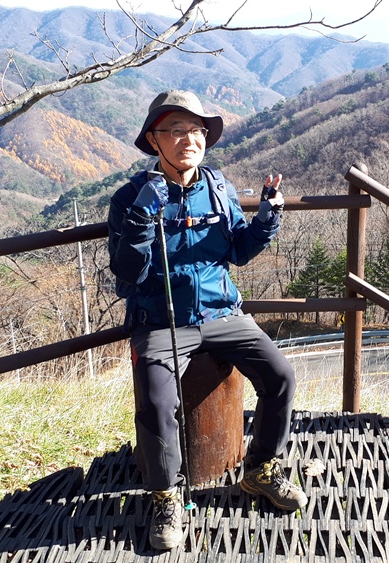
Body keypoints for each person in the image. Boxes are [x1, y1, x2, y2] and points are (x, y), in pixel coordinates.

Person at [107, 90, 308, 551]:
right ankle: (166, 496)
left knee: (280, 375)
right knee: (157, 404)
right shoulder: (129, 198)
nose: (188, 140)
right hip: (159, 321)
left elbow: (237, 250)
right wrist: (141, 218)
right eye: (175, 130)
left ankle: (260, 468)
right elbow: (127, 273)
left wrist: (266, 219)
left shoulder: (217, 187)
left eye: (196, 130)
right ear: (154, 140)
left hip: (222, 312)